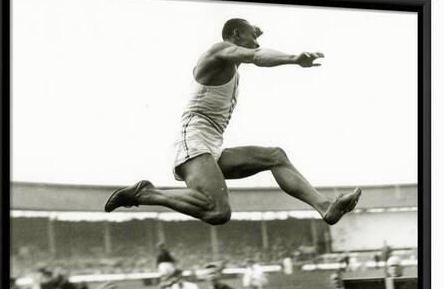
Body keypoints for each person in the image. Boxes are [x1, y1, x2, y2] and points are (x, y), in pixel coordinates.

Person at [105, 18, 361, 226]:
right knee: (218, 212)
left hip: (212, 143)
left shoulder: (233, 61)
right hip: (193, 139)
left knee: (275, 156)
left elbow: (253, 51)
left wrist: (254, 34)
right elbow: (257, 56)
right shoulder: (217, 51)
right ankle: (146, 193)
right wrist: (293, 59)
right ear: (236, 35)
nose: (256, 42)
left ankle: (325, 207)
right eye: (252, 37)